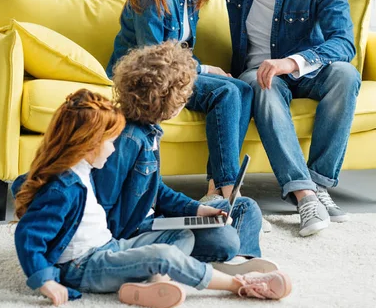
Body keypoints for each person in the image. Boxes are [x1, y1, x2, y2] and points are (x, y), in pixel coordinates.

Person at [12, 88, 292, 308]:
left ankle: (154, 282)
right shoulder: (63, 187)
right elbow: (28, 235)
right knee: (163, 255)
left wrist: (196, 208)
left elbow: (154, 189)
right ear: (88, 144)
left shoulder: (82, 170)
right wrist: (46, 281)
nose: (113, 147)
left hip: (108, 246)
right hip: (82, 267)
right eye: (109, 141)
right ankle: (239, 284)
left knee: (181, 237)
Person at [215, 0, 361, 237]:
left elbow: (344, 42)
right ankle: (304, 194)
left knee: (346, 74)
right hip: (258, 72)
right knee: (261, 83)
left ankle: (320, 183)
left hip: (307, 69)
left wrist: (292, 62)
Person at [106, 0, 253, 201]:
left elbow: (179, 47)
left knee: (244, 89)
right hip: (147, 75)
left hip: (173, 70)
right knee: (225, 92)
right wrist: (204, 69)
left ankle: (215, 190)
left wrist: (199, 67)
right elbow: (155, 56)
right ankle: (228, 193)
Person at [97, 40, 278, 276]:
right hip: (140, 230)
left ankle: (238, 260)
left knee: (245, 208)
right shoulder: (127, 140)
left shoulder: (150, 131)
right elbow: (105, 207)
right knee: (224, 238)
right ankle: (220, 254)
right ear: (171, 101)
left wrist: (196, 211)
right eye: (184, 95)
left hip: (157, 219)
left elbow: (154, 191)